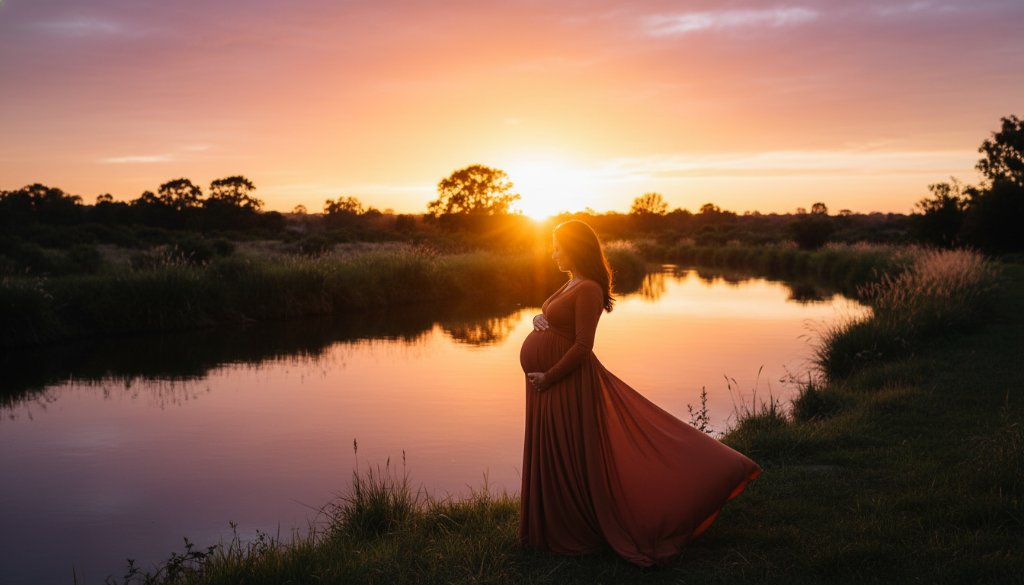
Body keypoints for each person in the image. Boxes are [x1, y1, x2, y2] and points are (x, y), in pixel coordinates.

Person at [518, 219, 761, 567]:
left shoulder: (588, 288)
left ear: (575, 247)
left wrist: (550, 376)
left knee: (570, 454)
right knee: (556, 450)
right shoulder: (572, 282)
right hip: (548, 385)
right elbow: (561, 323)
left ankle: (577, 526)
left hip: (565, 384)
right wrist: (539, 321)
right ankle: (551, 526)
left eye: (557, 245)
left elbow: (583, 346)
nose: (553, 252)